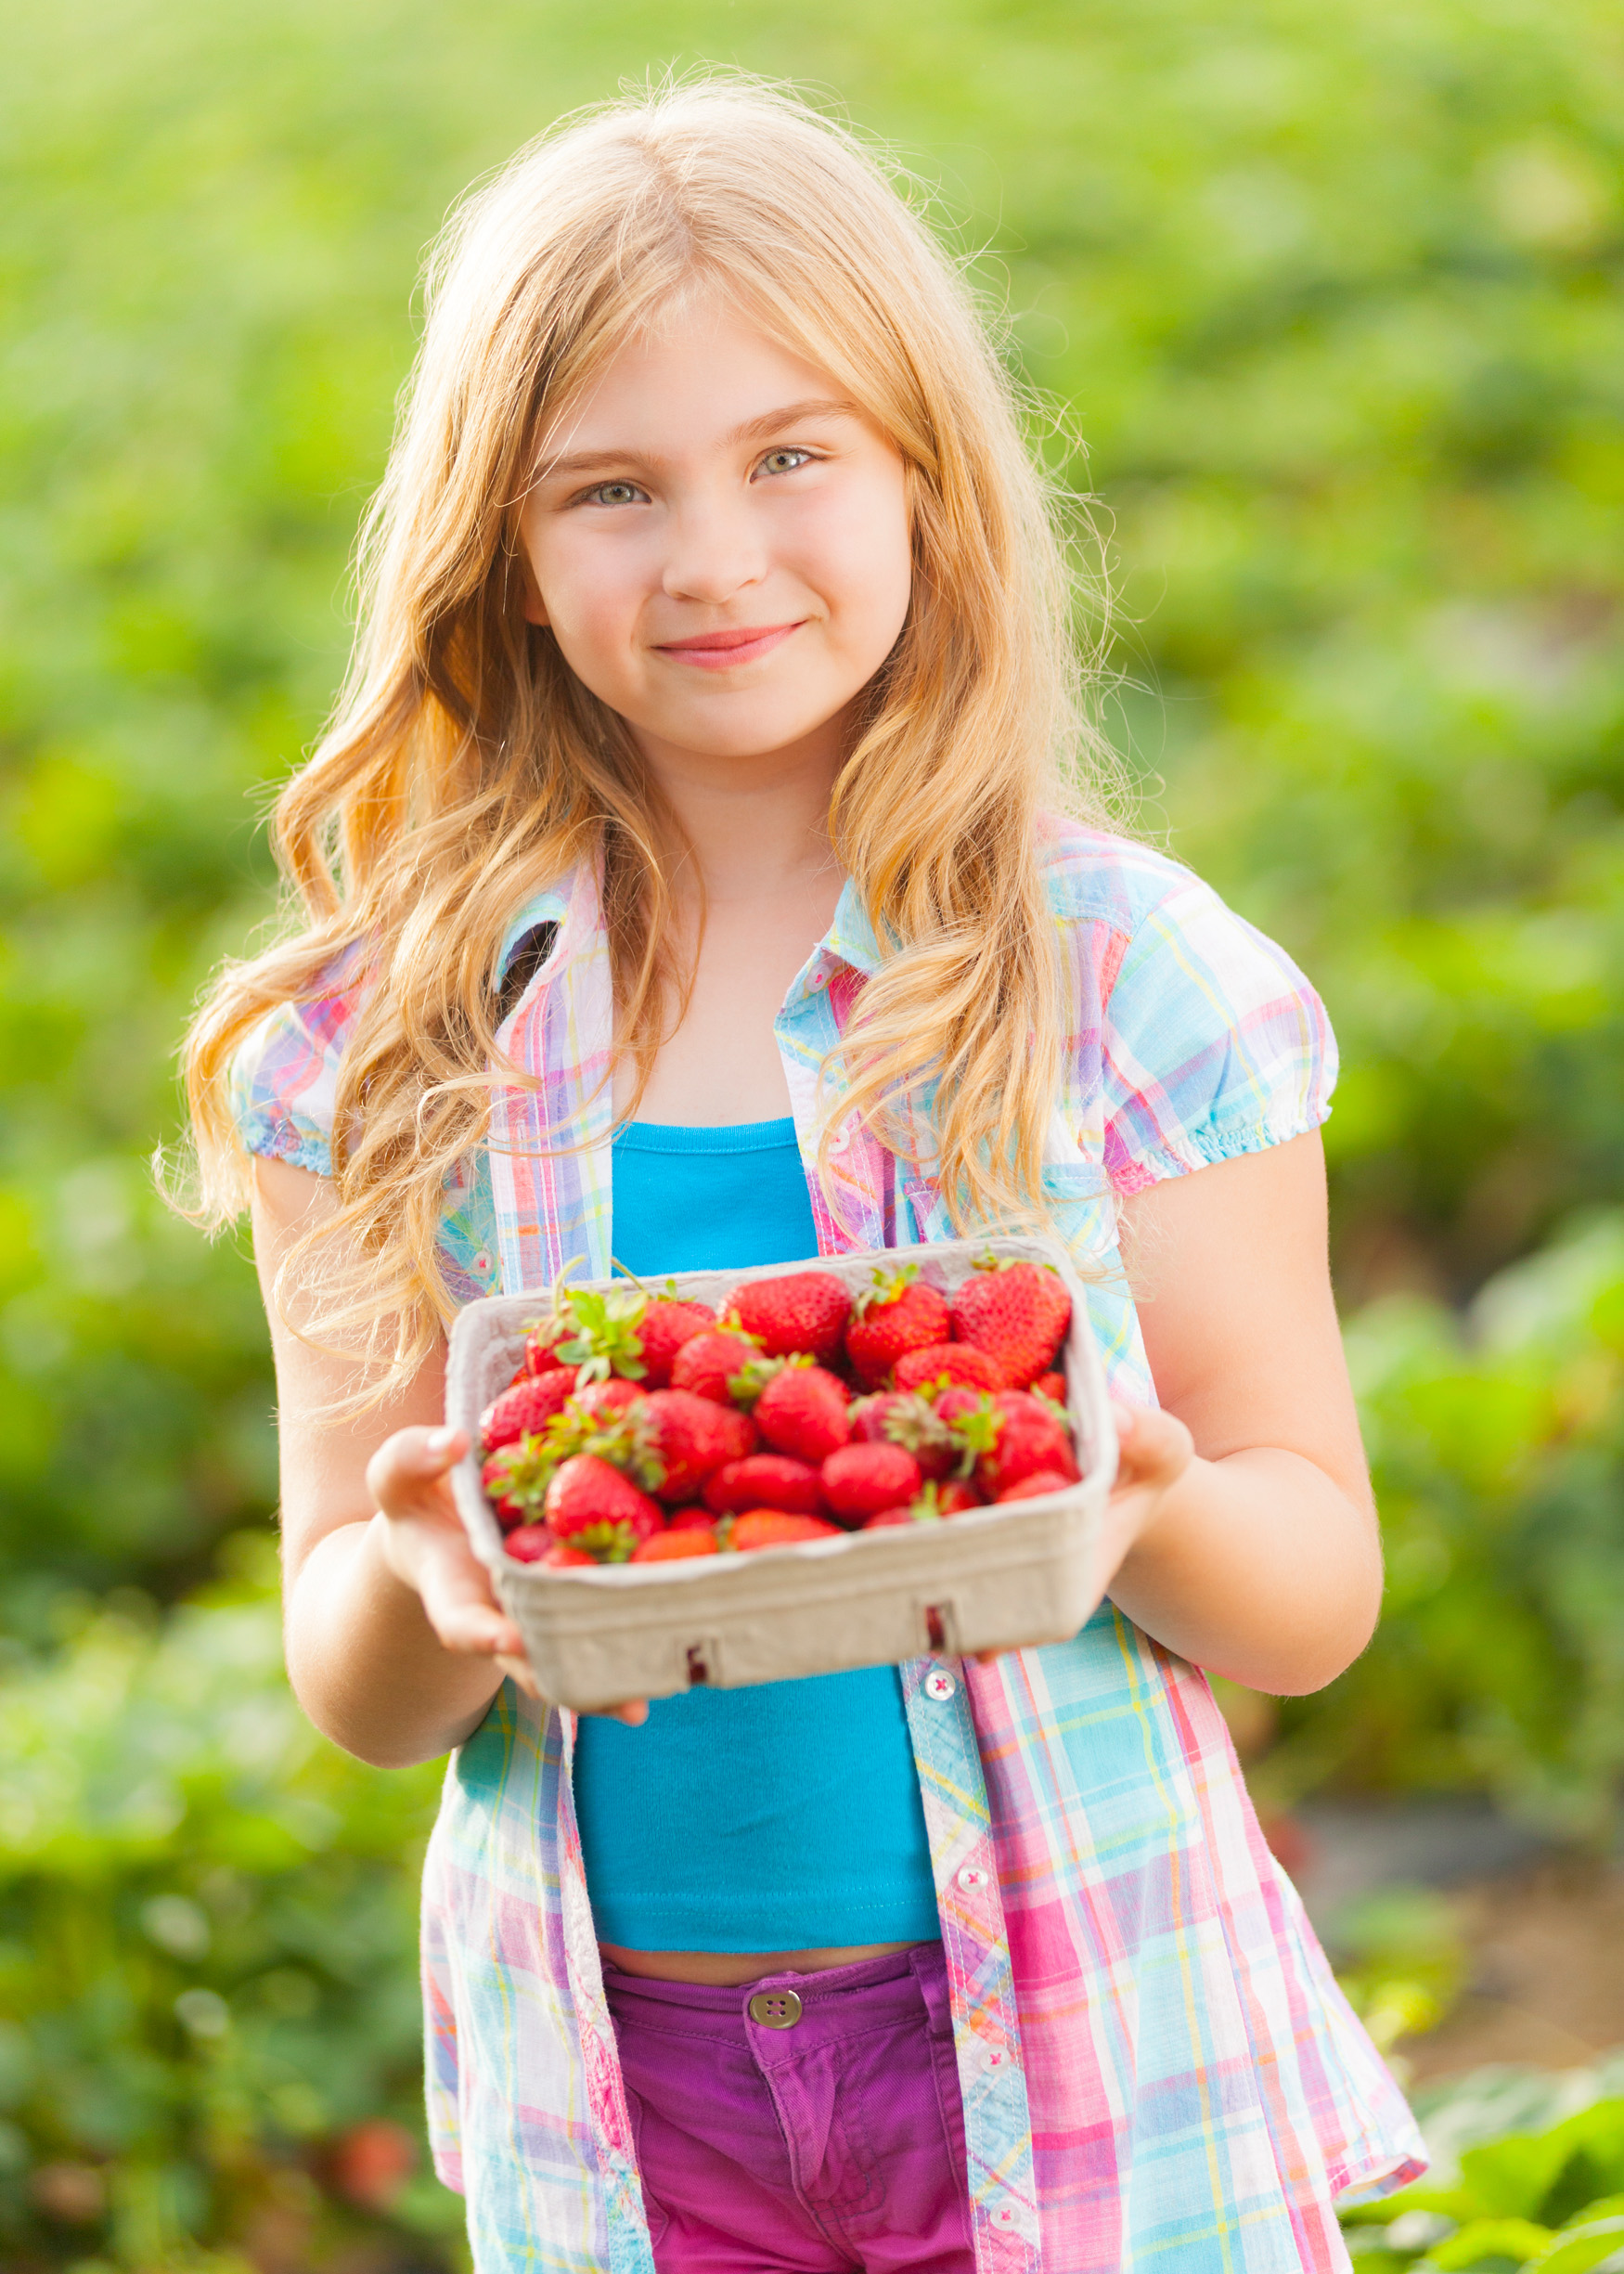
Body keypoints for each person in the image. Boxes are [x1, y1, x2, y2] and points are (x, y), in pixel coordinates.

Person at [181, 77, 1424, 2274]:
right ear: (503, 552)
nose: (716, 555)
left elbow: (1311, 1595)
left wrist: (1126, 1495)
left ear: (928, 483)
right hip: (625, 2098)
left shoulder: (1124, 983)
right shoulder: (386, 1049)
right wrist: (421, 1571)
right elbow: (360, 1689)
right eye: (611, 490)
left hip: (1090, 2042)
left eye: (790, 454)